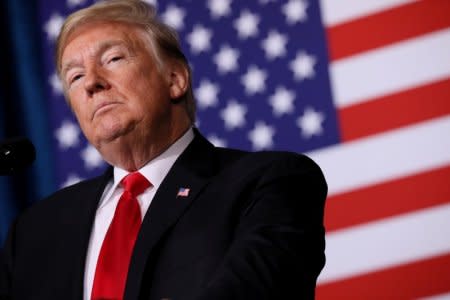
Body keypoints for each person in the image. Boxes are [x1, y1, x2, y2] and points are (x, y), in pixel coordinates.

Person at [0, 0, 327, 299]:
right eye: (75, 76)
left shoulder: (268, 183)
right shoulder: (33, 233)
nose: (91, 83)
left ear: (175, 79)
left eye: (113, 59)